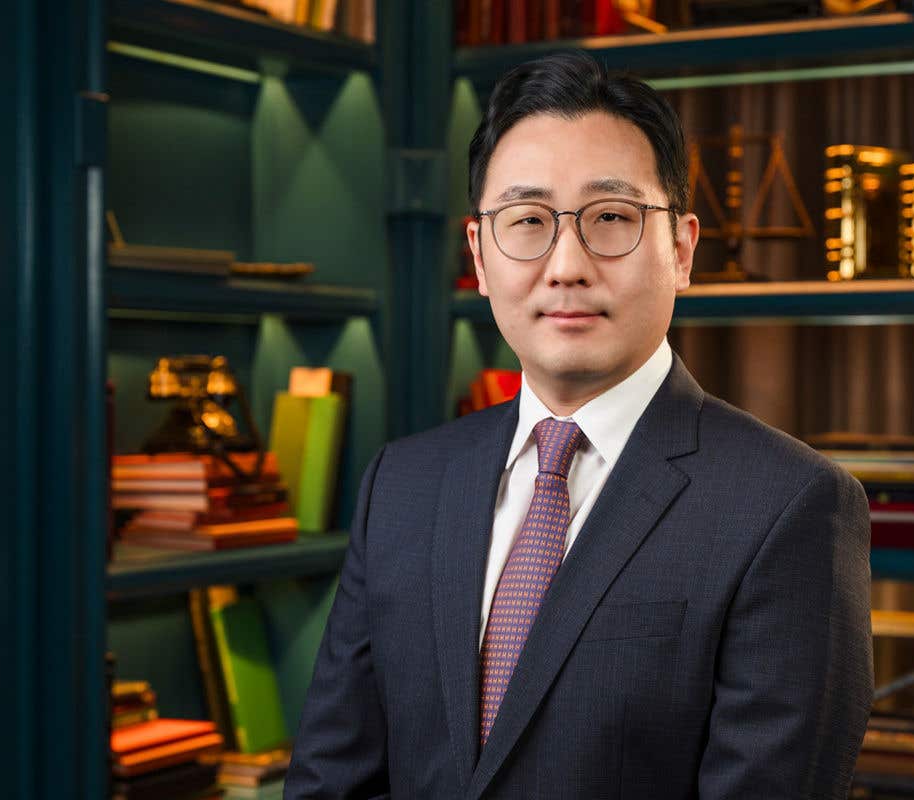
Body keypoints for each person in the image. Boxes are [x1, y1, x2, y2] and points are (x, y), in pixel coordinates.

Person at [285, 50, 873, 800]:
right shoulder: (400, 484)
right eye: (528, 221)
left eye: (612, 219)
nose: (566, 265)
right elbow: (331, 780)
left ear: (682, 250)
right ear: (479, 256)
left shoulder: (790, 506)